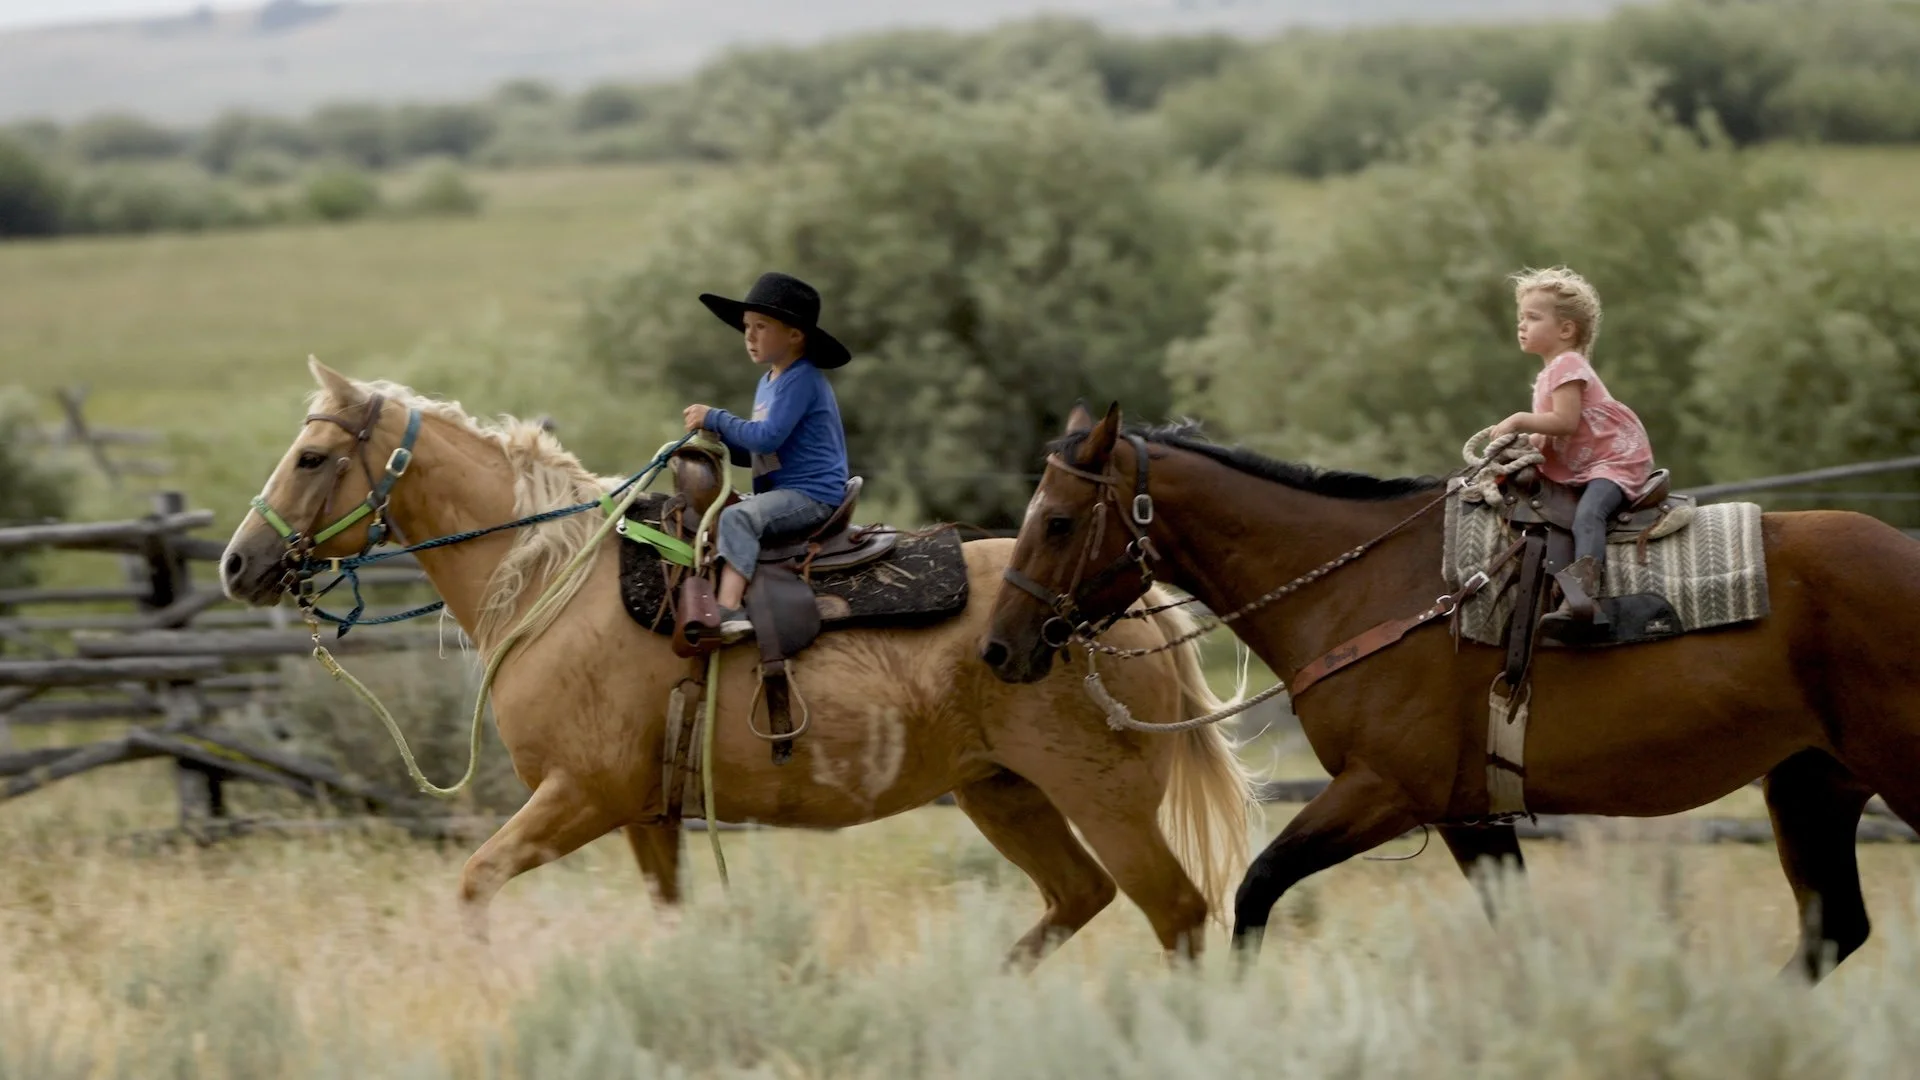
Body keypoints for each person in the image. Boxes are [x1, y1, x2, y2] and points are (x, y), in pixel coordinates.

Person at [681, 271, 852, 633]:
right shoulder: (769, 381)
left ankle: (729, 609)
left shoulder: (802, 378)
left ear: (794, 335)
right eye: (746, 326)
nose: (749, 335)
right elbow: (757, 453)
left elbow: (767, 438)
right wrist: (718, 438)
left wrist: (717, 416)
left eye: (761, 326)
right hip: (784, 490)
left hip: (812, 493)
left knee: (738, 518)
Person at [1489, 266, 1654, 628]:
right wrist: (1519, 445)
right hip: (1589, 462)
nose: (1521, 325)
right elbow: (1548, 434)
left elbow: (1564, 421)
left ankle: (1583, 594)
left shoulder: (1567, 364)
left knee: (1589, 514)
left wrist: (1518, 420)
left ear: (1566, 329)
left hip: (1614, 459)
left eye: (1532, 317)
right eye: (1521, 318)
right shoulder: (1548, 373)